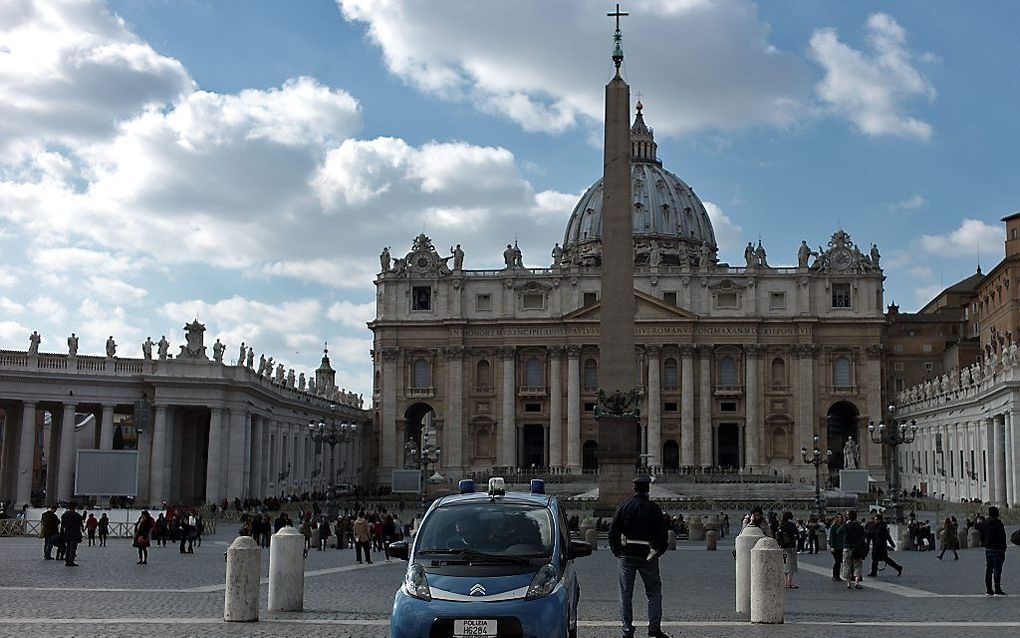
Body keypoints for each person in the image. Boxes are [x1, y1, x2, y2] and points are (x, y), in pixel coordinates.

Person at [608, 476, 671, 638]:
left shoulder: (624, 506)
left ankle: (627, 630)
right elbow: (663, 535)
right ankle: (654, 628)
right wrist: (657, 552)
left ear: (634, 489)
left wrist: (617, 551)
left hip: (627, 554)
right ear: (648, 489)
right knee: (654, 592)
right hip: (648, 555)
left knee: (625, 594)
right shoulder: (654, 508)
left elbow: (613, 531)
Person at [982, 506, 1007, 596]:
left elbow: (982, 535)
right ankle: (997, 588)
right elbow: (1002, 537)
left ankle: (988, 589)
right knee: (997, 569)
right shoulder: (999, 524)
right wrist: (1004, 548)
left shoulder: (985, 523)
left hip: (988, 549)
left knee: (989, 569)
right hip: (998, 549)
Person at [867, 513, 902, 577]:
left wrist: (892, 543)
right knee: (877, 559)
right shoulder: (875, 526)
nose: (874, 521)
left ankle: (898, 567)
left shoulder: (882, 527)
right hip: (876, 545)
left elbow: (887, 536)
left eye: (876, 519)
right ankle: (874, 572)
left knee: (883, 559)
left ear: (879, 520)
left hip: (881, 546)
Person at [842, 510, 867, 589]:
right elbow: (863, 537)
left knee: (847, 565)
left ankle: (848, 583)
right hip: (857, 548)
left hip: (848, 547)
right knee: (858, 565)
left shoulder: (845, 525)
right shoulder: (859, 526)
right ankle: (857, 582)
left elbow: (844, 536)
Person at [777, 512, 799, 589]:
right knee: (791, 565)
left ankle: (785, 583)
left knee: (785, 563)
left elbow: (778, 536)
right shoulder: (792, 525)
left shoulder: (781, 525)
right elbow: (797, 534)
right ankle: (790, 582)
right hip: (791, 547)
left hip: (783, 547)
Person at [60, 502, 84, 567]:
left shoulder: (64, 515)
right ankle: (71, 561)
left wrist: (62, 533)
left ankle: (67, 560)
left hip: (67, 533)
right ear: (74, 507)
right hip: (75, 533)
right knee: (73, 548)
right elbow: (81, 521)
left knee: (68, 547)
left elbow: (62, 525)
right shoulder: (76, 515)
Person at [829, 513, 846, 581]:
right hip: (835, 546)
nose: (839, 518)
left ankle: (837, 575)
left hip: (842, 546)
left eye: (840, 517)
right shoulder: (833, 526)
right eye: (838, 517)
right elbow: (832, 536)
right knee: (837, 561)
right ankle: (835, 575)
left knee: (839, 561)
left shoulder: (843, 526)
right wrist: (832, 546)